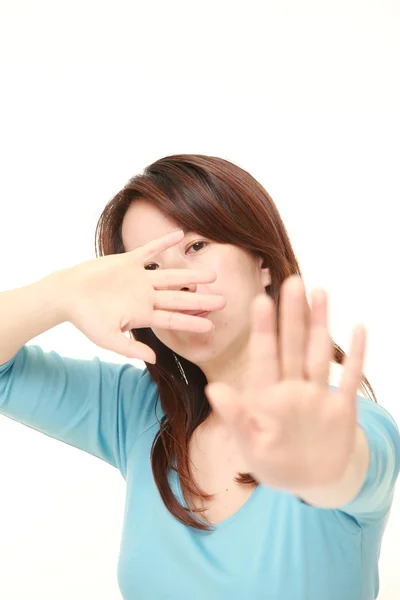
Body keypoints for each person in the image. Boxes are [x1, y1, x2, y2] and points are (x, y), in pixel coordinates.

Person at [0, 154, 399, 600]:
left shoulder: (352, 423)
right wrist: (62, 292)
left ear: (262, 262)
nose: (178, 283)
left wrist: (321, 463)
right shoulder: (135, 413)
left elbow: (349, 467)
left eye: (196, 247)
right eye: (150, 268)